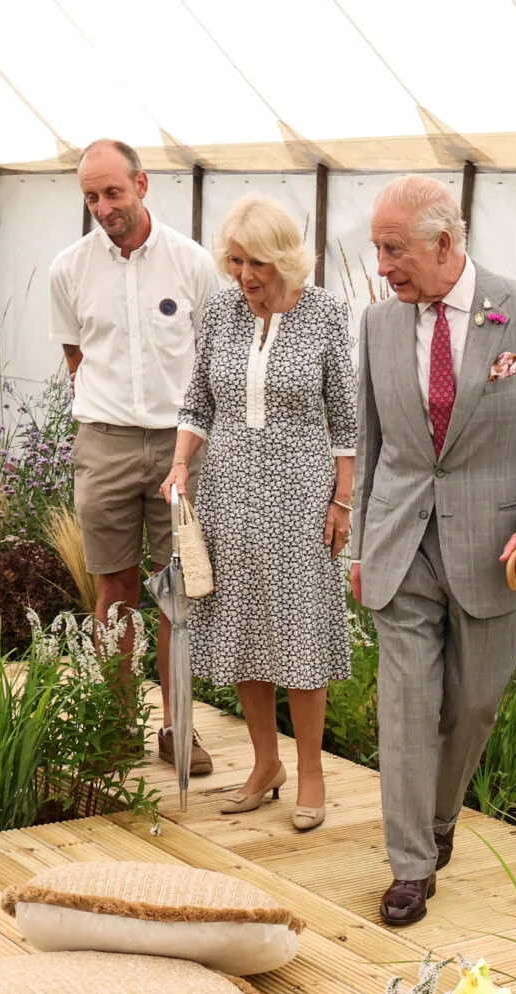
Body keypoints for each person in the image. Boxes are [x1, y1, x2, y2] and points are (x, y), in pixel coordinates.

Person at [350, 176, 516, 927]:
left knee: (476, 703)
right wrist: (360, 545)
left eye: (394, 250)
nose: (383, 266)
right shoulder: (378, 326)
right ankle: (411, 864)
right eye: (377, 249)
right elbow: (374, 443)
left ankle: (440, 815)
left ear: (445, 244)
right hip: (401, 542)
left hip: (495, 555)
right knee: (407, 702)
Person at [163, 195, 358, 833]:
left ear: (286, 260)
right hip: (229, 490)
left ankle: (310, 774)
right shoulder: (219, 312)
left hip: (302, 493)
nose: (245, 276)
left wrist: (341, 499)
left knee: (298, 629)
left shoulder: (327, 314)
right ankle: (264, 763)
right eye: (237, 261)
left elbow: (346, 420)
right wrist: (182, 465)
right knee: (244, 627)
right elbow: (198, 401)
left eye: (258, 264)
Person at [51, 138, 226, 776]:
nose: (103, 207)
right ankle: (116, 720)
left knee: (178, 591)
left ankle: (179, 729)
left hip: (181, 447)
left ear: (143, 184)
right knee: (114, 587)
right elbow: (76, 357)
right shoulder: (68, 269)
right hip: (105, 444)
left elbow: (212, 364)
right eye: (92, 197)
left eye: (113, 192)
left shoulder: (193, 264)